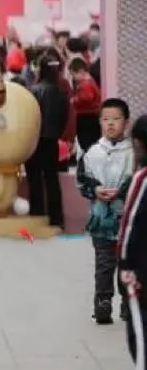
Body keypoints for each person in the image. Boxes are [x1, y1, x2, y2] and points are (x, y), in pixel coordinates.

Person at [77, 98, 134, 325]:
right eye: (106, 119)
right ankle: (103, 302)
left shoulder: (134, 152)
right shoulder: (92, 153)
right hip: (101, 220)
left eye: (116, 119)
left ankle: (128, 303)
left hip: (128, 221)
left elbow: (138, 179)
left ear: (126, 122)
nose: (110, 124)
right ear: (100, 122)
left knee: (127, 263)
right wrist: (95, 189)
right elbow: (82, 179)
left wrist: (123, 192)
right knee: (104, 263)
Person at [27, 49, 70, 228]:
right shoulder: (61, 92)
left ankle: (37, 215)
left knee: (34, 179)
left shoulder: (33, 90)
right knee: (52, 179)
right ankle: (56, 218)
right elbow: (64, 118)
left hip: (34, 140)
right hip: (51, 141)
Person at [118, 115, 147, 367]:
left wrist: (125, 266)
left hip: (141, 276)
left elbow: (129, 224)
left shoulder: (143, 179)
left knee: (140, 341)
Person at [71, 57, 103, 156]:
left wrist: (74, 100)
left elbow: (87, 98)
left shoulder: (85, 84)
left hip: (87, 117)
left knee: (87, 143)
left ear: (81, 71)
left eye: (73, 74)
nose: (73, 77)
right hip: (91, 116)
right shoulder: (90, 81)